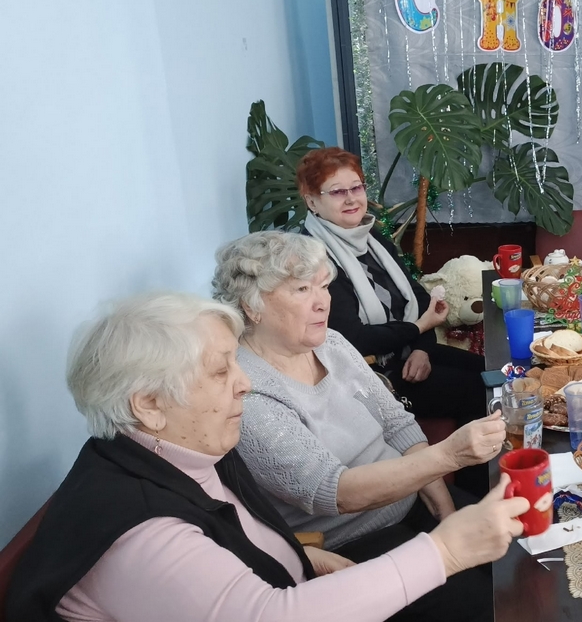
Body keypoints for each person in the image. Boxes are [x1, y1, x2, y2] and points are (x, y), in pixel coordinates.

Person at [5, 292, 527, 622]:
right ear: (149, 405)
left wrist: (298, 555)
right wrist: (445, 552)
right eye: (221, 371)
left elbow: (233, 538)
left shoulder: (179, 451)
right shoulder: (138, 534)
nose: (245, 383)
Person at [212, 231, 506, 620]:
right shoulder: (248, 391)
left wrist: (445, 509)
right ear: (252, 307)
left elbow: (398, 426)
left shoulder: (330, 343)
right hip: (353, 544)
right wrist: (449, 456)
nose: (323, 302)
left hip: (412, 500)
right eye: (302, 289)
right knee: (488, 604)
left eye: (324, 285)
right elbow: (337, 493)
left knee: (515, 553)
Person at [296, 147, 484, 429]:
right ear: (312, 201)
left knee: (492, 372)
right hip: (371, 375)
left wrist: (422, 348)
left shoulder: (371, 237)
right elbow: (355, 339)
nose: (351, 198)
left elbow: (417, 295)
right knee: (476, 391)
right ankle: (474, 460)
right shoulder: (313, 259)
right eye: (337, 192)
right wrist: (418, 329)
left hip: (407, 349)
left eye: (356, 187)